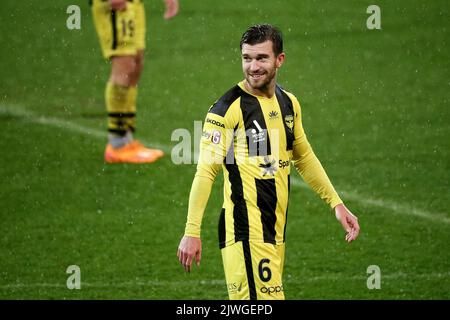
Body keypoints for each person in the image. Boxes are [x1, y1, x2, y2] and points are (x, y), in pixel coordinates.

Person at [177, 24, 360, 300]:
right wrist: (192, 231)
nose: (253, 67)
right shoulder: (226, 110)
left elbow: (304, 156)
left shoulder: (289, 103)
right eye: (247, 58)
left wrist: (336, 203)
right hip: (246, 232)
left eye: (261, 58)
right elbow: (206, 171)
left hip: (275, 229)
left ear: (279, 60)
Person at [90, 0, 179, 163]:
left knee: (135, 65)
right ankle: (117, 144)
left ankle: (128, 141)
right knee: (124, 66)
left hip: (134, 4)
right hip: (115, 7)